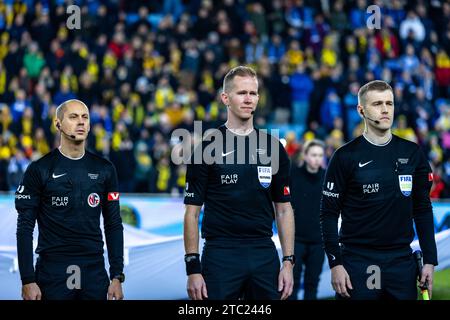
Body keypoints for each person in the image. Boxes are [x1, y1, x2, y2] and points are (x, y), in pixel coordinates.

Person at [183, 66, 295, 300]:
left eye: (253, 93)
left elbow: (284, 209)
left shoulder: (274, 148)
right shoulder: (206, 148)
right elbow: (192, 213)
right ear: (225, 98)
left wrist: (287, 262)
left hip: (263, 251)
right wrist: (193, 268)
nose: (248, 99)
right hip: (220, 253)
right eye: (241, 93)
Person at [320, 80, 438, 300]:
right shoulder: (345, 156)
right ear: (361, 110)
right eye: (377, 104)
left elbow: (422, 209)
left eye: (389, 103)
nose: (385, 109)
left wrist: (430, 259)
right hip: (359, 261)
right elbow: (328, 214)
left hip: (401, 261)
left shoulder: (413, 153)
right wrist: (335, 263)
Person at [15, 99, 125, 300]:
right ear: (58, 124)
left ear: (90, 125)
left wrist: (117, 275)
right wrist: (27, 280)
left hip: (94, 270)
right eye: (73, 117)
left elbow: (113, 224)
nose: (81, 122)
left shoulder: (105, 169)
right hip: (52, 271)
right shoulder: (39, 169)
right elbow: (24, 227)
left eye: (85, 117)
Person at [288, 139, 326, 300]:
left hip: (318, 241)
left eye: (320, 155)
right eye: (313, 155)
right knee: (291, 284)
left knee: (312, 284)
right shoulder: (292, 174)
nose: (317, 159)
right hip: (295, 240)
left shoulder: (327, 177)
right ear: (305, 155)